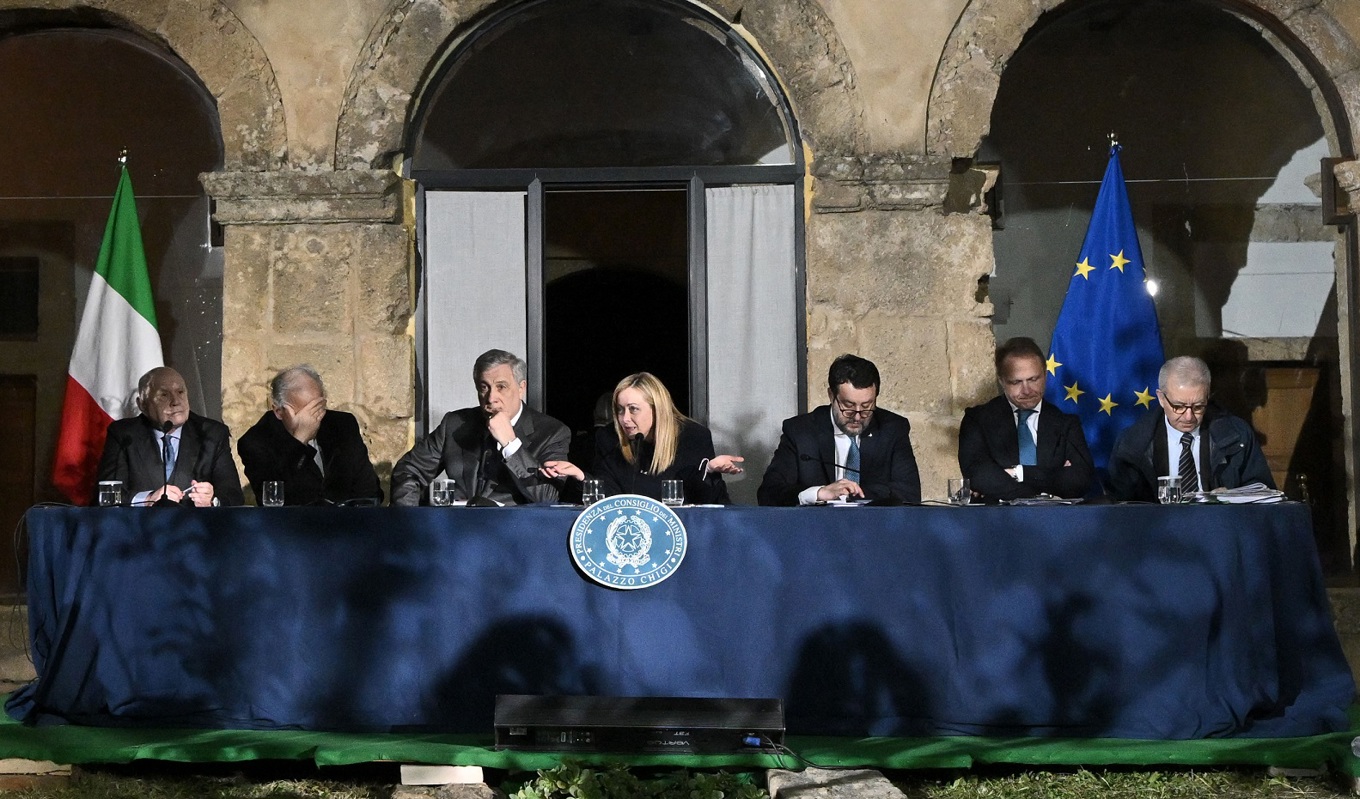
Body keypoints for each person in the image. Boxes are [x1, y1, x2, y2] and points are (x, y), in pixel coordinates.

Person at [391, 349, 569, 506]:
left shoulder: (552, 432)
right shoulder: (455, 424)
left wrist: (510, 444)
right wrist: (410, 520)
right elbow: (408, 471)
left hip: (513, 535)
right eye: (484, 387)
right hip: (459, 531)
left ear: (521, 388)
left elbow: (548, 497)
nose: (491, 398)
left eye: (501, 387)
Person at [540, 372, 744, 504]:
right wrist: (581, 476)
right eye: (620, 410)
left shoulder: (693, 436)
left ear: (657, 410)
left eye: (633, 409)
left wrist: (708, 470)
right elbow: (608, 496)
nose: (624, 419)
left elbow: (705, 501)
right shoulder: (608, 437)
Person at [757, 354, 920, 505]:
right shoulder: (801, 431)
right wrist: (819, 493)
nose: (857, 416)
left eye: (866, 406)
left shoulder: (892, 429)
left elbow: (909, 494)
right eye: (848, 406)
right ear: (831, 396)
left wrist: (850, 495)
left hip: (875, 529)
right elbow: (769, 494)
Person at [1108, 355, 1275, 501]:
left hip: (1220, 529)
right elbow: (1121, 510)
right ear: (1161, 398)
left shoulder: (1237, 435)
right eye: (1178, 406)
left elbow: (1263, 492)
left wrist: (1233, 498)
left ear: (1208, 396)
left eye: (1198, 407)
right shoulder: (1132, 444)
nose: (1189, 417)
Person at [957, 336, 1094, 502]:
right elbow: (980, 476)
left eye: (1033, 379)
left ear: (1045, 375)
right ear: (1001, 381)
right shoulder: (978, 420)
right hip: (995, 520)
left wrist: (1017, 473)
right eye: (1016, 382)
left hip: (1056, 520)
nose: (1027, 390)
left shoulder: (1066, 423)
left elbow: (1079, 480)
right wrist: (1042, 493)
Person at [95, 366, 244, 507]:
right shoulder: (124, 434)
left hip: (195, 529)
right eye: (164, 395)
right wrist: (147, 499)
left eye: (180, 392)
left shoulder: (211, 434)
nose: (176, 402)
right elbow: (105, 496)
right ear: (142, 405)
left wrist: (213, 501)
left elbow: (234, 496)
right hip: (140, 529)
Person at [236, 365, 383, 506]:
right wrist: (299, 441)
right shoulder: (255, 442)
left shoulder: (342, 425)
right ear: (278, 412)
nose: (314, 419)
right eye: (303, 413)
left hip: (345, 525)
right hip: (291, 527)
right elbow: (273, 500)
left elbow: (369, 491)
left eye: (318, 408)